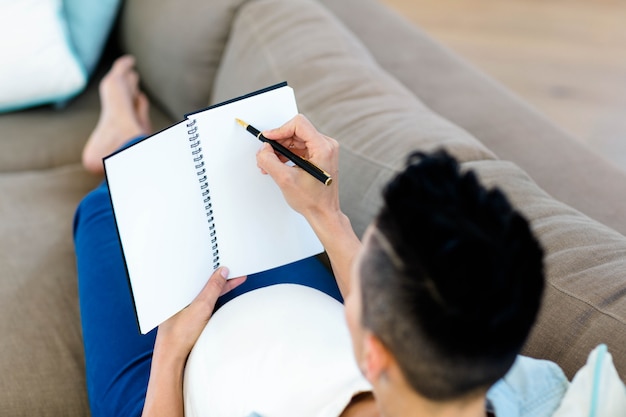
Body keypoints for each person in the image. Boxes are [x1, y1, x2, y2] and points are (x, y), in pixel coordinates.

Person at [75, 56, 568, 417]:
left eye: (362, 283)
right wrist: (325, 213)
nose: (350, 268)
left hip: (182, 377)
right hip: (286, 305)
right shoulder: (529, 384)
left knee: (105, 206)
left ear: (372, 353)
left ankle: (120, 136)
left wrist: (172, 350)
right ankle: (127, 141)